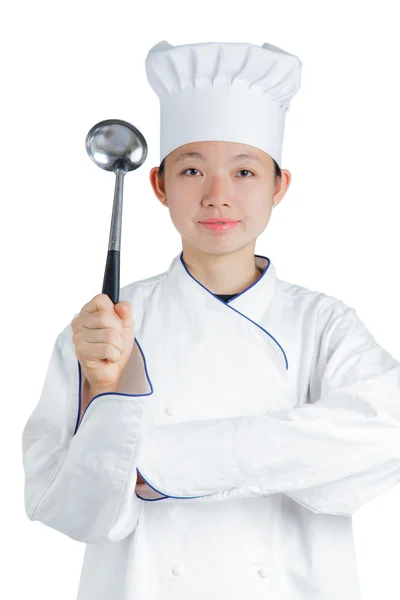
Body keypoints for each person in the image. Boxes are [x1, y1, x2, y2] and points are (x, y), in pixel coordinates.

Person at [21, 40, 400, 600]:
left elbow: (386, 428)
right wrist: (101, 394)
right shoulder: (105, 331)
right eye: (193, 169)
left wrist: (156, 463)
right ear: (158, 185)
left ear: (279, 188)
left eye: (244, 171)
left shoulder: (325, 325)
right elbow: (73, 512)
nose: (218, 196)